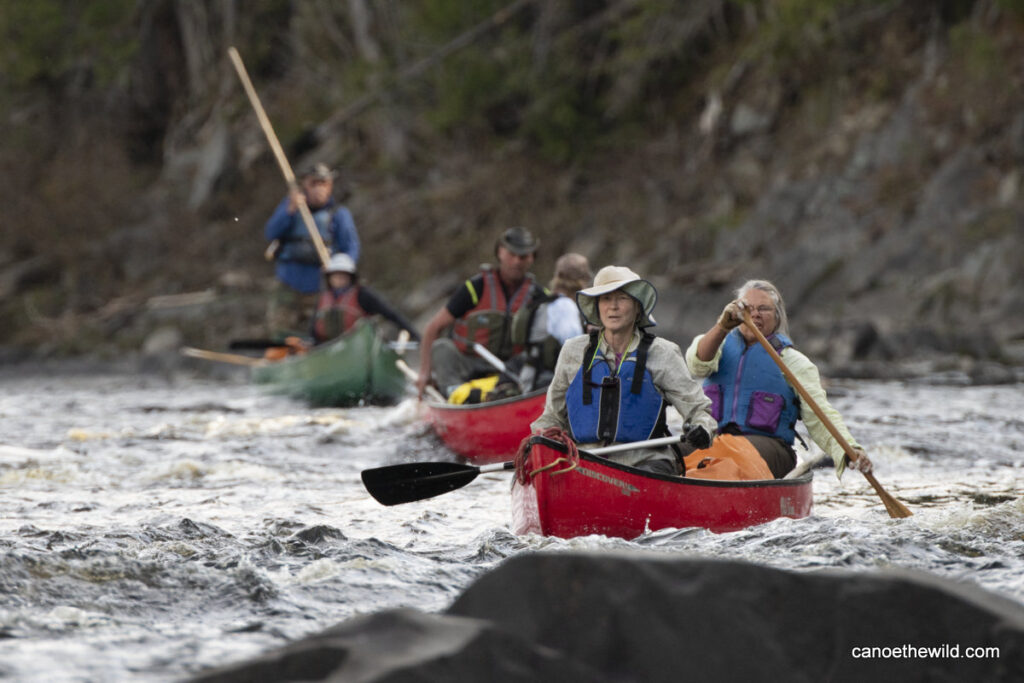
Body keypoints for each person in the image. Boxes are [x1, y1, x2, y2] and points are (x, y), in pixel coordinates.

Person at [531, 266, 718, 475]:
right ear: (597, 307)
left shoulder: (663, 353)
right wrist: (539, 443)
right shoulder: (573, 351)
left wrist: (702, 429)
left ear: (637, 307)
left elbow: (699, 411)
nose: (613, 307)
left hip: (646, 463)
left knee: (653, 471)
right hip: (583, 463)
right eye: (606, 299)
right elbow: (551, 418)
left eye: (622, 298)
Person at [684, 279, 874, 479]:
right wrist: (722, 327)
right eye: (747, 308)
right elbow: (696, 365)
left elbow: (820, 417)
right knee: (664, 457)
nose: (755, 313)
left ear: (777, 316)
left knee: (728, 460)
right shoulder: (715, 346)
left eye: (763, 308)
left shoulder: (794, 363)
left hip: (770, 448)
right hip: (713, 440)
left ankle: (700, 480)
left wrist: (850, 450)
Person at [416, 228, 545, 399]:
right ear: (499, 252)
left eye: (523, 257)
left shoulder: (540, 296)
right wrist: (425, 373)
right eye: (511, 255)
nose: (516, 262)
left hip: (510, 369)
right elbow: (433, 328)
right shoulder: (476, 287)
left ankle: (508, 395)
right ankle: (455, 394)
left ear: (532, 258)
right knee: (442, 348)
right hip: (470, 364)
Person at [264, 162, 360, 339]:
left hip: (320, 286)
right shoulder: (290, 207)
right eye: (313, 184)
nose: (318, 189)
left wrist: (338, 272)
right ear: (304, 186)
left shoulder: (339, 214)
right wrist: (289, 210)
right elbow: (271, 233)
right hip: (289, 282)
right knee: (280, 333)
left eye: (322, 184)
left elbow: (350, 249)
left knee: (322, 334)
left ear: (329, 186)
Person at [508, 252, 593, 391]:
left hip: (531, 377)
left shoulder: (546, 303)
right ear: (582, 281)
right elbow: (576, 350)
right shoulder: (565, 307)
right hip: (547, 383)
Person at [310, 253, 421, 344]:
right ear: (329, 278)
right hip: (330, 349)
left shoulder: (363, 294)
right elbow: (314, 330)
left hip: (360, 345)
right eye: (336, 275)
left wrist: (415, 335)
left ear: (351, 277)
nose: (339, 279)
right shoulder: (323, 299)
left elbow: (390, 314)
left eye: (343, 275)